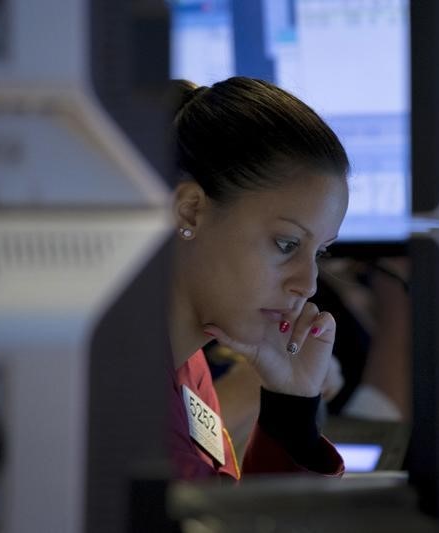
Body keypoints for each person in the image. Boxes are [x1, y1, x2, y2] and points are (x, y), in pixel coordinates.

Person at [167, 76, 349, 480]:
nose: (309, 284)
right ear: (190, 211)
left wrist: (292, 409)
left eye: (319, 252)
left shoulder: (188, 366)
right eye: (286, 244)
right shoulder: (109, 398)